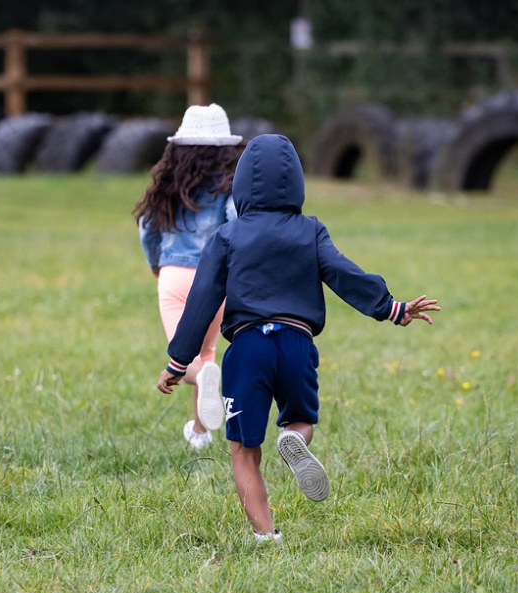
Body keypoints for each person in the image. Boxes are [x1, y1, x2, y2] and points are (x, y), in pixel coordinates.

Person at [155, 134, 440, 542]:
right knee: (301, 418)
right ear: (296, 183)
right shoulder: (310, 230)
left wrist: (178, 361)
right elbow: (344, 274)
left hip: (248, 348)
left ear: (241, 185)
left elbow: (201, 302)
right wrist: (392, 308)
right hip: (296, 343)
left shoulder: (227, 236)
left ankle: (266, 536)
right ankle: (293, 438)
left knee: (244, 451)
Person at [134, 103, 243, 449]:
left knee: (186, 361)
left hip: (174, 277)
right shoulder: (229, 184)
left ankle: (201, 408)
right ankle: (199, 432)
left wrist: (156, 263)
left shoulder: (169, 182)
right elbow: (237, 221)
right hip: (215, 282)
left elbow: (147, 226)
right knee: (206, 352)